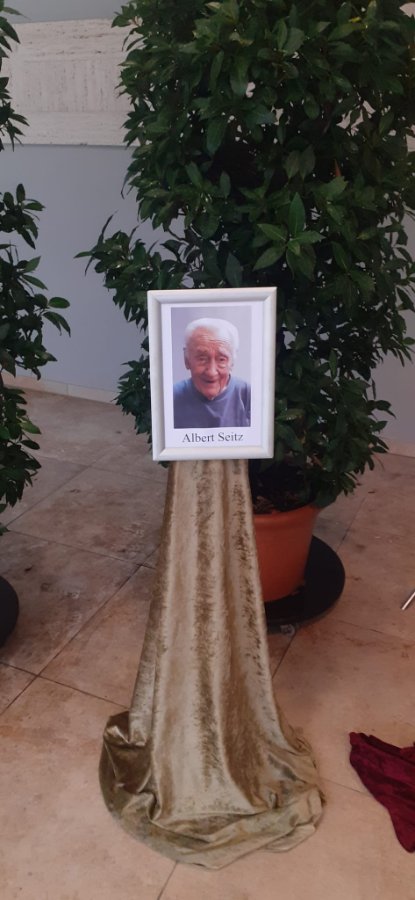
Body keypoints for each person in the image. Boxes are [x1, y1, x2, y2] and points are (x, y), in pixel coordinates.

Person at [173, 317, 251, 428]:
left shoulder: (248, 396)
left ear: (232, 362)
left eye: (221, 359)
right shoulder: (171, 397)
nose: (211, 372)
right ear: (186, 359)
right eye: (202, 359)